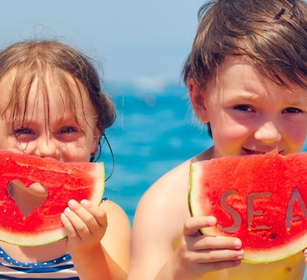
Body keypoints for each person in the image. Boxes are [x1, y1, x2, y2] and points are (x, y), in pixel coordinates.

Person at [129, 0, 307, 279]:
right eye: (245, 108)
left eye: (292, 110)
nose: (269, 135)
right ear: (201, 100)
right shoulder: (163, 206)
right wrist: (178, 271)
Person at [0, 40, 131, 280]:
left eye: (67, 129)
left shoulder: (106, 218)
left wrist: (89, 252)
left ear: (94, 138)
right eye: (24, 131)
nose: (47, 150)